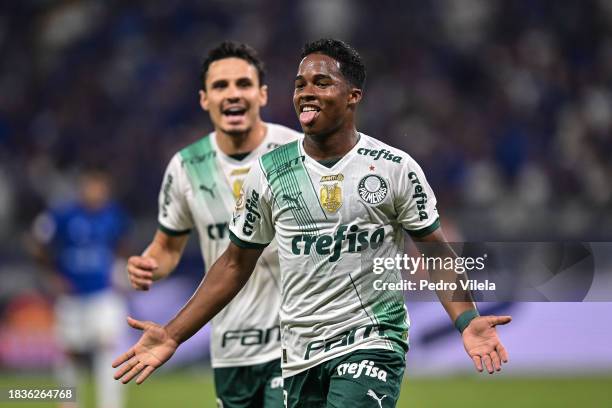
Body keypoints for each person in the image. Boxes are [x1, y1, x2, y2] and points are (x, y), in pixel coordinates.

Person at [113, 39, 511, 407]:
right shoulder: (269, 172)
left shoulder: (394, 168)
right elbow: (234, 264)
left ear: (353, 96)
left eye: (322, 82)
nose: (306, 90)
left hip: (372, 341)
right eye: (300, 83)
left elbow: (436, 252)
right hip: (299, 354)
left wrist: (467, 320)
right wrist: (171, 334)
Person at [124, 41, 300, 407]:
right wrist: (150, 264)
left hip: (295, 341)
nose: (232, 94)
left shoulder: (297, 154)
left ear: (262, 94)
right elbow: (168, 247)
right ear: (204, 99)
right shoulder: (186, 165)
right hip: (230, 346)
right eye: (221, 86)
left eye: (243, 84)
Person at [32, 167, 130, 408]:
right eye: (91, 186)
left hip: (103, 294)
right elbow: (37, 242)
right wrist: (52, 275)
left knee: (109, 349)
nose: (96, 192)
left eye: (100, 187)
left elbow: (124, 245)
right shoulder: (62, 215)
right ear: (82, 187)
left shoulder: (114, 216)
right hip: (72, 296)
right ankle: (69, 403)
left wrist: (121, 271)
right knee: (69, 352)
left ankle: (110, 404)